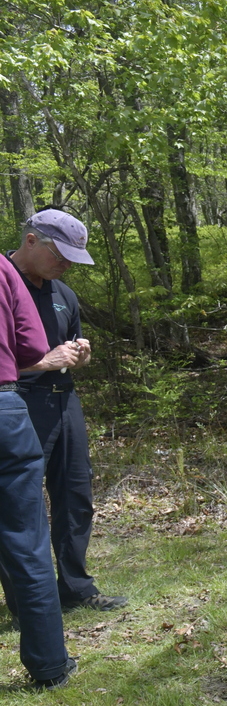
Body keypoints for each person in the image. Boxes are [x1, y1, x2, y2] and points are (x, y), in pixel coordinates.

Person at [3, 210, 127, 615]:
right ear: (32, 240)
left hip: (63, 399)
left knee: (76, 496)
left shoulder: (63, 294)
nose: (67, 265)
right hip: (18, 402)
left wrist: (79, 356)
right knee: (20, 505)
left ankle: (75, 587)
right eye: (62, 255)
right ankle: (27, 602)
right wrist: (43, 362)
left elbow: (64, 352)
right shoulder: (4, 284)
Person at [0, 227, 74, 688]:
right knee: (26, 541)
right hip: (5, 408)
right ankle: (50, 666)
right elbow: (31, 349)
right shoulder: (5, 272)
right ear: (31, 239)